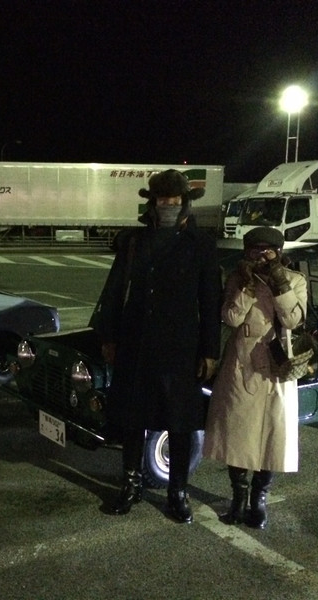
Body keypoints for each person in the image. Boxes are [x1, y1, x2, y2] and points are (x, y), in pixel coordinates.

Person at [90, 169, 222, 523]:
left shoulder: (201, 244)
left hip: (181, 348)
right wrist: (109, 337)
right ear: (152, 203)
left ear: (185, 203)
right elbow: (114, 290)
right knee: (132, 419)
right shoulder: (135, 241)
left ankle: (177, 491)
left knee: (179, 422)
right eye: (163, 200)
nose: (168, 206)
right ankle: (131, 484)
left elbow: (210, 301)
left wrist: (210, 351)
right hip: (136, 343)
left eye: (175, 200)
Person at [203, 226, 308, 529]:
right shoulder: (237, 279)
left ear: (279, 252)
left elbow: (293, 319)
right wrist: (247, 287)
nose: (262, 256)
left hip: (277, 364)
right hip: (242, 363)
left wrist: (279, 283)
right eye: (255, 251)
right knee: (237, 433)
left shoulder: (295, 280)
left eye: (268, 251)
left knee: (272, 435)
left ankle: (259, 499)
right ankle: (238, 498)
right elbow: (231, 317)